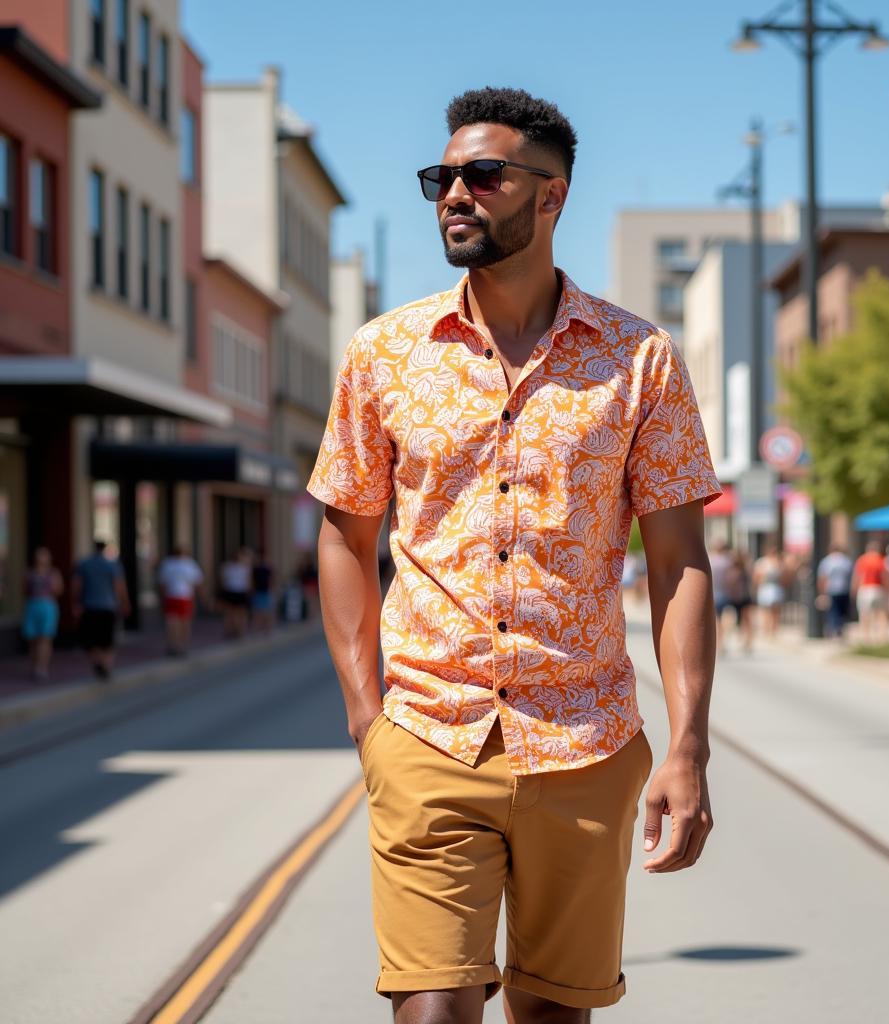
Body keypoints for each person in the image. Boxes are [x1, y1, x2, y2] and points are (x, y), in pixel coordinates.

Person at [307, 88, 723, 1023]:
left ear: (551, 196)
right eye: (442, 177)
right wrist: (367, 714)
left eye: (483, 175)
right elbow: (345, 536)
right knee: (432, 1007)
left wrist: (689, 746)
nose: (456, 193)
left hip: (584, 741)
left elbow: (680, 563)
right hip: (426, 732)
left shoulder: (639, 359)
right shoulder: (384, 354)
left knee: (552, 1015)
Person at [71, 539, 130, 680]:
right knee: (107, 639)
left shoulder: (84, 564)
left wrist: (76, 603)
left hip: (90, 606)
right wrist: (125, 602)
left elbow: (76, 586)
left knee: (93, 638)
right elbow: (119, 585)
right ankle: (106, 664)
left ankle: (98, 662)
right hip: (107, 606)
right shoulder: (112, 565)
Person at [22, 546, 64, 681]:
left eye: (44, 555)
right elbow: (24, 590)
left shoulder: (53, 573)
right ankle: (35, 665)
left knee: (45, 638)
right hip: (33, 606)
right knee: (33, 639)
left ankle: (42, 667)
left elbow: (59, 590)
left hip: (47, 606)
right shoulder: (29, 573)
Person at [157, 544, 204, 656]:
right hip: (185, 596)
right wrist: (201, 597)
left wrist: (162, 597)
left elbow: (162, 583)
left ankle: (173, 644)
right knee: (185, 622)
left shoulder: (167, 564)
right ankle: (183, 645)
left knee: (171, 621)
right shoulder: (189, 564)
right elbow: (198, 582)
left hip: (171, 596)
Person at [852, 540, 889, 644]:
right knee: (881, 614)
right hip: (878, 588)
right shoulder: (881, 560)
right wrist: (888, 589)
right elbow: (886, 577)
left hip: (865, 589)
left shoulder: (862, 560)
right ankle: (882, 638)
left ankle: (865, 638)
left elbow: (857, 577)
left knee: (864, 615)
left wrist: (854, 590)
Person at [720, 550, 754, 654]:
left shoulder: (733, 570)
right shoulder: (742, 570)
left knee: (733, 620)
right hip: (741, 597)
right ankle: (746, 642)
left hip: (735, 597)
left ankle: (724, 643)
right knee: (743, 620)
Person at [817, 543, 853, 640]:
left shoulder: (827, 561)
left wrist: (822, 592)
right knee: (842, 611)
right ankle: (839, 629)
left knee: (833, 611)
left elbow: (822, 578)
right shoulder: (846, 560)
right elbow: (851, 575)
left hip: (831, 589)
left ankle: (833, 629)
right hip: (844, 589)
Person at [752, 544, 786, 640]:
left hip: (776, 587)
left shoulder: (779, 562)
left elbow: (784, 576)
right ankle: (766, 629)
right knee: (765, 610)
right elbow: (756, 576)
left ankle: (774, 629)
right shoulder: (762, 562)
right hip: (765, 587)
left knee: (776, 610)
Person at [219, 548, 252, 639]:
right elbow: (248, 581)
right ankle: (239, 630)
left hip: (231, 591)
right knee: (240, 613)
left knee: (231, 612)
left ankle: (231, 630)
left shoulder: (227, 567)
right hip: (239, 591)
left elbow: (223, 580)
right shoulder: (244, 567)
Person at [250, 550, 275, 634]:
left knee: (266, 611)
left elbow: (271, 579)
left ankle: (267, 628)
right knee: (259, 611)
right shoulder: (255, 569)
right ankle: (259, 628)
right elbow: (252, 581)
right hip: (259, 591)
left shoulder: (267, 568)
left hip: (265, 591)